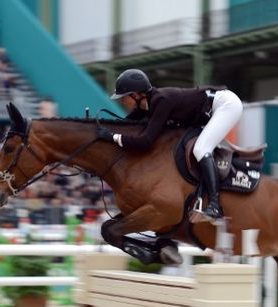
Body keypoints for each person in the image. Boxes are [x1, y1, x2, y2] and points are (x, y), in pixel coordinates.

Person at [97, 68, 243, 223]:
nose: (121, 101)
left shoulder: (161, 101)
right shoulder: (145, 106)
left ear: (137, 95)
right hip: (211, 110)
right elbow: (126, 125)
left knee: (201, 148)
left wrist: (113, 137)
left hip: (225, 105)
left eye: (123, 97)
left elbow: (145, 142)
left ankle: (215, 206)